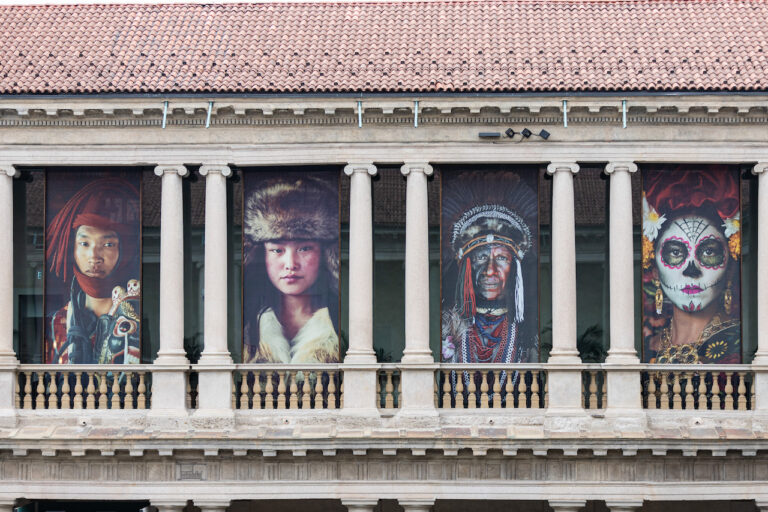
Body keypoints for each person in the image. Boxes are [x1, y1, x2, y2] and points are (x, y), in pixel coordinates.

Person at [642, 167, 741, 364]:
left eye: (709, 252)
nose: (691, 270)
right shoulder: (646, 347)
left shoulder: (738, 343)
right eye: (675, 253)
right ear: (655, 271)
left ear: (730, 270)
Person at [441, 171, 539, 364]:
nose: (490, 270)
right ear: (466, 266)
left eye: (501, 258)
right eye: (481, 257)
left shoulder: (528, 331)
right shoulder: (448, 326)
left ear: (515, 268)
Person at [243, 175, 340, 364]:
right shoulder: (249, 329)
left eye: (304, 248)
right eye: (277, 250)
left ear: (325, 254)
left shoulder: (340, 325)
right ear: (262, 255)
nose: (290, 263)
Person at [45, 177, 141, 364]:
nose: (94, 256)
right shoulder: (56, 323)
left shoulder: (137, 318)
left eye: (108, 244)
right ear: (72, 247)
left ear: (123, 250)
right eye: (84, 243)